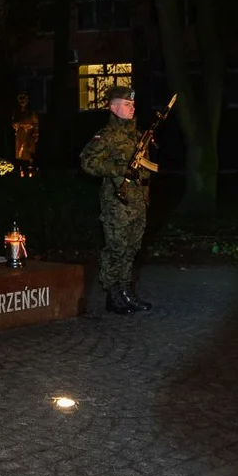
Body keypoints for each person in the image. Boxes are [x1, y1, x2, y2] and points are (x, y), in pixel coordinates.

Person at [79, 85, 152, 315]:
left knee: (131, 248)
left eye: (133, 104)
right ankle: (112, 294)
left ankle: (125, 291)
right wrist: (119, 169)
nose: (132, 108)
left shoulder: (136, 135)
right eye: (126, 104)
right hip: (117, 204)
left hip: (137, 202)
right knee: (116, 249)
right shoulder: (107, 136)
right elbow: (88, 162)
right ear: (113, 107)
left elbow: (145, 170)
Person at [11, 93, 40, 177]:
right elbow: (13, 122)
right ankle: (21, 169)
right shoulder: (17, 112)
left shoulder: (31, 112)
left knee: (30, 151)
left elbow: (36, 123)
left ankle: (31, 168)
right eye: (21, 100)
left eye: (24, 100)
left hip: (29, 134)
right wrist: (16, 125)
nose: (22, 102)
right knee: (20, 152)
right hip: (20, 133)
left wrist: (36, 133)